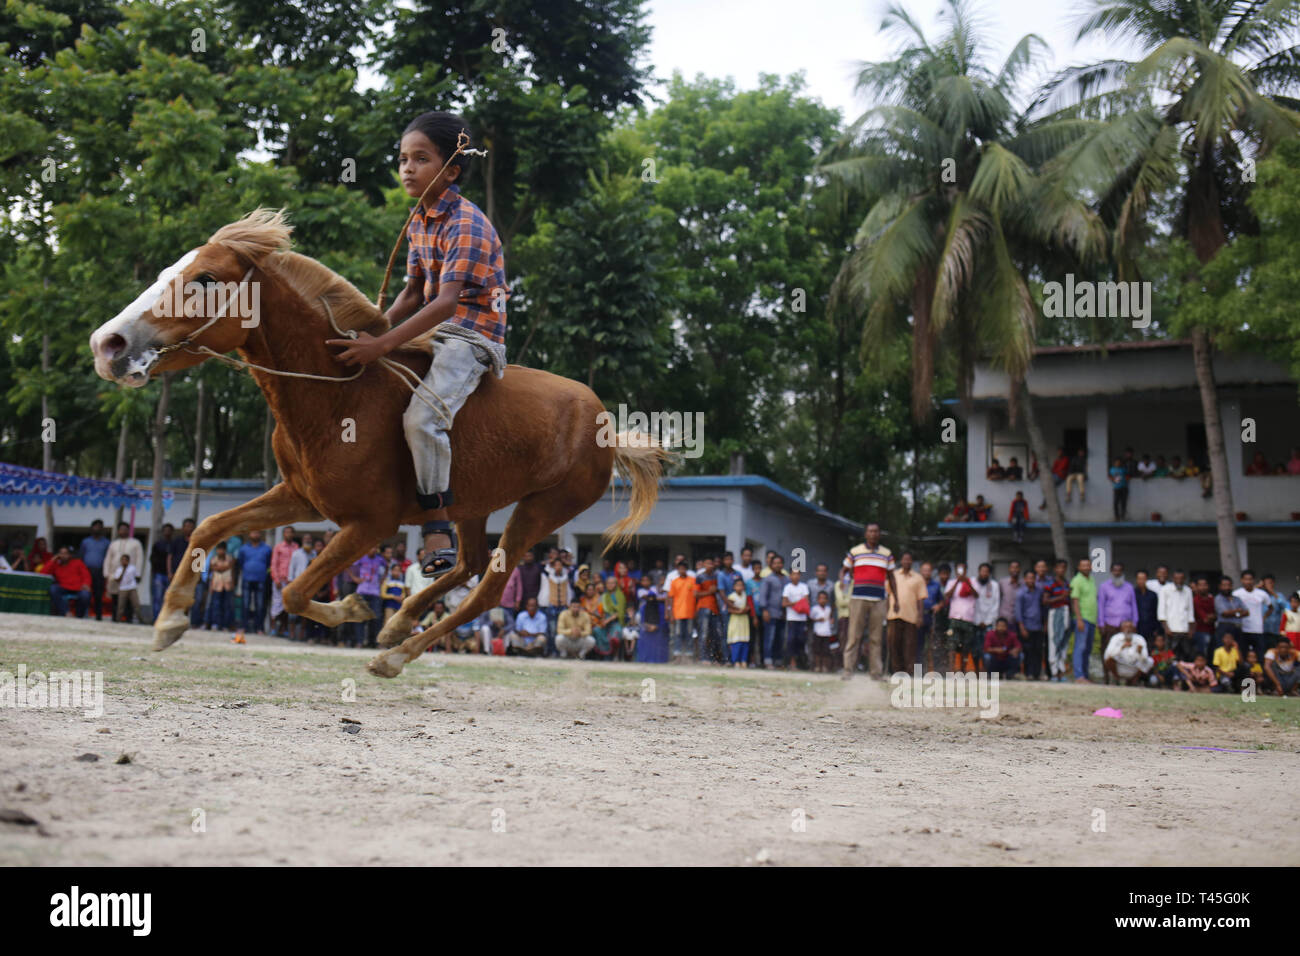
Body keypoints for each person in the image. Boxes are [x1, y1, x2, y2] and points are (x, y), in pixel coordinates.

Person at [327, 111, 507, 580]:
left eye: (421, 159)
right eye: (403, 159)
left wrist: (382, 344)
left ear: (451, 170)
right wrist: (368, 335)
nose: (407, 168)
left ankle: (436, 525)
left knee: (422, 418)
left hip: (471, 334)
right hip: (433, 329)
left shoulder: (466, 222)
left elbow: (445, 303)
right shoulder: (419, 220)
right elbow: (412, 292)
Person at [841, 523, 897, 680]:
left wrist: (895, 599)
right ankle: (847, 670)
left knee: (876, 637)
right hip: (858, 597)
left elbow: (892, 577)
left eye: (876, 531)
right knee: (854, 635)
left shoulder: (887, 553)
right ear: (866, 534)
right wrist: (843, 583)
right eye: (870, 531)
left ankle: (876, 672)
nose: (873, 534)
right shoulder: (855, 551)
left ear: (879, 534)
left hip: (879, 599)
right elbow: (844, 570)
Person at [886, 550, 926, 675]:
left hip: (910, 616)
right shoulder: (893, 576)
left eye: (909, 559)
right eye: (904, 559)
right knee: (894, 644)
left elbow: (920, 599)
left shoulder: (918, 578)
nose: (906, 561)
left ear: (912, 562)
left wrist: (920, 616)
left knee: (909, 646)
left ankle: (909, 672)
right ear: (901, 561)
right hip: (894, 615)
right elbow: (888, 595)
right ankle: (896, 671)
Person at [945, 563, 979, 674]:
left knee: (966, 646)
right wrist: (957, 582)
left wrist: (966, 582)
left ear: (966, 570)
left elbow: (976, 595)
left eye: (963, 569)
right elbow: (948, 596)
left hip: (967, 618)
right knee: (952, 645)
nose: (961, 571)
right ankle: (951, 670)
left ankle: (963, 670)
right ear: (956, 571)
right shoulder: (951, 582)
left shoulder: (972, 581)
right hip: (954, 617)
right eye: (959, 569)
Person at [103, 522, 144, 614]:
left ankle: (128, 619)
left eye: (125, 529)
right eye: (121, 529)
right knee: (115, 597)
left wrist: (138, 574)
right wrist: (106, 573)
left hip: (129, 576)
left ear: (129, 530)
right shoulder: (114, 544)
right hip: (115, 575)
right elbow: (108, 559)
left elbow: (139, 559)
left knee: (129, 598)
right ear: (118, 531)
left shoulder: (135, 543)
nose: (123, 531)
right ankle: (115, 618)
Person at [1097, 562, 1138, 652]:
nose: (1117, 573)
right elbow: (1101, 605)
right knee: (1108, 650)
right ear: (1111, 571)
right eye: (1115, 570)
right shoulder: (1104, 587)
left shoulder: (1129, 587)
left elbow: (1133, 605)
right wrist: (1101, 623)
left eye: (1119, 571)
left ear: (1122, 572)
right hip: (1109, 625)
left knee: (1125, 650)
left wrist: (1134, 623)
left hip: (1126, 625)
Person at [236, 529, 271, 634]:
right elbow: (240, 563)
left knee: (260, 605)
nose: (255, 534)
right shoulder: (243, 549)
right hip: (247, 578)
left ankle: (259, 628)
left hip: (261, 579)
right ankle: (244, 627)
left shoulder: (267, 549)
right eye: (253, 532)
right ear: (249, 534)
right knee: (245, 604)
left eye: (257, 532)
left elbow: (269, 564)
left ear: (261, 534)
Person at [1070, 557, 1098, 682]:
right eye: (1083, 565)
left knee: (1087, 649)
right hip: (1082, 619)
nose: (1086, 567)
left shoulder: (1091, 579)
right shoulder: (1077, 581)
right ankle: (1079, 675)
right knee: (1080, 647)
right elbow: (1074, 601)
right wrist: (1079, 619)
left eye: (1088, 565)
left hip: (1092, 620)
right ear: (1079, 568)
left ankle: (1085, 675)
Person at [1042, 559, 1071, 681]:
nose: (1061, 570)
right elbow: (1045, 601)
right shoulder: (1050, 583)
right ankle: (1054, 672)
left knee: (1063, 642)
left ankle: (1062, 671)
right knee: (1054, 642)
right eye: (1059, 567)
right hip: (1055, 612)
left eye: (1064, 568)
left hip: (1066, 612)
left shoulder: (1067, 583)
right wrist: (1061, 597)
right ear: (1055, 569)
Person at [758, 555, 788, 668]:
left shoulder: (786, 579)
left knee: (780, 639)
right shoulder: (768, 579)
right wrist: (764, 610)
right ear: (771, 565)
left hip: (783, 613)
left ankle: (778, 661)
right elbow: (763, 596)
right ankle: (768, 661)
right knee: (769, 638)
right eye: (775, 563)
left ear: (782, 564)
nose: (777, 565)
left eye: (779, 563)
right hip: (770, 612)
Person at [1158, 569, 1194, 662]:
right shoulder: (1165, 589)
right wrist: (1166, 628)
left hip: (1184, 629)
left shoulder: (1188, 590)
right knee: (1169, 655)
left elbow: (1190, 611)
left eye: (1181, 579)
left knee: (1186, 655)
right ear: (1173, 579)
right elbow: (1161, 611)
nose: (1179, 581)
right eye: (1177, 579)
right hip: (1171, 630)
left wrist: (1191, 629)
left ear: (1184, 579)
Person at [1232, 570, 1270, 660]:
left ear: (1254, 580)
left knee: (1260, 656)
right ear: (1242, 580)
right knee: (1243, 655)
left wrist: (1263, 618)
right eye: (1246, 579)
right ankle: (1246, 675)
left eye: (1250, 579)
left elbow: (1270, 607)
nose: (1248, 582)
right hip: (1243, 629)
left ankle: (1259, 673)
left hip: (1257, 629)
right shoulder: (1236, 594)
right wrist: (1238, 617)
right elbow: (1233, 609)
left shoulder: (1262, 594)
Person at [1102, 620, 1152, 685]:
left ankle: (1133, 681)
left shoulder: (1140, 639)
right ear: (1121, 629)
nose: (1128, 629)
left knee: (1150, 661)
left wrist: (1140, 652)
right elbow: (1108, 654)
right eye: (1126, 627)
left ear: (1134, 629)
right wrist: (1121, 648)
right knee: (1108, 658)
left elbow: (1145, 658)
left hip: (1134, 667)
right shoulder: (1116, 638)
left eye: (1130, 627)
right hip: (1120, 666)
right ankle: (1117, 679)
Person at [78, 519, 110, 621]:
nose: (97, 528)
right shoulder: (85, 542)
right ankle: (81, 614)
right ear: (92, 528)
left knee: (98, 594)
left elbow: (107, 558)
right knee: (84, 592)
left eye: (99, 526)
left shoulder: (106, 542)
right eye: (95, 526)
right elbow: (81, 556)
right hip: (86, 571)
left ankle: (98, 616)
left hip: (99, 571)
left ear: (102, 529)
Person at [1016, 568, 1046, 680]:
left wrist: (1044, 623)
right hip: (1026, 626)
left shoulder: (1039, 591)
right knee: (1027, 651)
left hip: (1038, 626)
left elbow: (1043, 608)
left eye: (1033, 578)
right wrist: (1021, 627)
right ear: (1024, 579)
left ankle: (1037, 674)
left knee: (1038, 651)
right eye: (1028, 578)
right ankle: (1028, 673)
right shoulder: (1021, 593)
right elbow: (1018, 611)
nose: (1031, 580)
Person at [47, 546, 92, 617]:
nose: (63, 555)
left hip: (78, 587)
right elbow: (43, 573)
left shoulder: (78, 562)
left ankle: (79, 616)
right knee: (53, 589)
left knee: (85, 595)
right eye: (61, 553)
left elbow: (86, 575)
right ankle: (66, 612)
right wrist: (52, 560)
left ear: (70, 555)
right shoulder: (55, 564)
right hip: (63, 587)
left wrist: (86, 584)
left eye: (65, 553)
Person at [668, 560, 697, 663]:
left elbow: (696, 595)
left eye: (684, 568)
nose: (682, 570)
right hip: (678, 612)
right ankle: (677, 655)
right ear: (677, 569)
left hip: (690, 612)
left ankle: (689, 656)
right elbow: (671, 597)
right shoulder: (674, 582)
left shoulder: (692, 580)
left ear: (686, 569)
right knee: (678, 634)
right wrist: (670, 613)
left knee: (689, 634)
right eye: (680, 568)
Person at [781, 568, 811, 670]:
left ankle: (801, 663)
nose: (796, 576)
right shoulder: (787, 587)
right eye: (793, 574)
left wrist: (793, 603)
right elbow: (784, 603)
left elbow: (806, 601)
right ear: (790, 576)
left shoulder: (804, 587)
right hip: (792, 618)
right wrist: (799, 602)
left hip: (802, 619)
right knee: (791, 640)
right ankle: (792, 663)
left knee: (801, 641)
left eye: (798, 574)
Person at [635, 576, 668, 663]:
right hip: (647, 629)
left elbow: (663, 622)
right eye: (649, 598)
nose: (651, 600)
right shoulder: (644, 607)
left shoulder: (661, 608)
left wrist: (656, 626)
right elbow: (642, 622)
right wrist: (648, 626)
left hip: (658, 630)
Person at [1213, 576, 1247, 660]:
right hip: (1224, 627)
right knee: (1223, 651)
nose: (1227, 587)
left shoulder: (1237, 599)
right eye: (1224, 585)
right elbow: (1224, 613)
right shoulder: (1218, 599)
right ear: (1220, 586)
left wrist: (1235, 613)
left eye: (1229, 585)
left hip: (1237, 628)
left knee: (1238, 651)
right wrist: (1238, 611)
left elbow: (1246, 612)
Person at [726, 577, 753, 668]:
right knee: (736, 641)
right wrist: (739, 612)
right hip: (735, 620)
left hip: (744, 621)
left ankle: (744, 660)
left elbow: (749, 606)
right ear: (734, 587)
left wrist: (745, 610)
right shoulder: (732, 596)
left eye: (741, 585)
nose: (740, 587)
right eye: (738, 585)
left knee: (744, 641)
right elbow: (729, 609)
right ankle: (736, 661)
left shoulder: (746, 595)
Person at [113, 552, 145, 624]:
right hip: (122, 588)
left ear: (128, 561)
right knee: (121, 605)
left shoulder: (132, 568)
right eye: (122, 560)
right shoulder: (119, 569)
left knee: (136, 605)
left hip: (132, 588)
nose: (124, 561)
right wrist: (123, 571)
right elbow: (117, 579)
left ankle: (141, 620)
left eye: (125, 560)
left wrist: (135, 583)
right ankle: (118, 620)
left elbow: (137, 576)